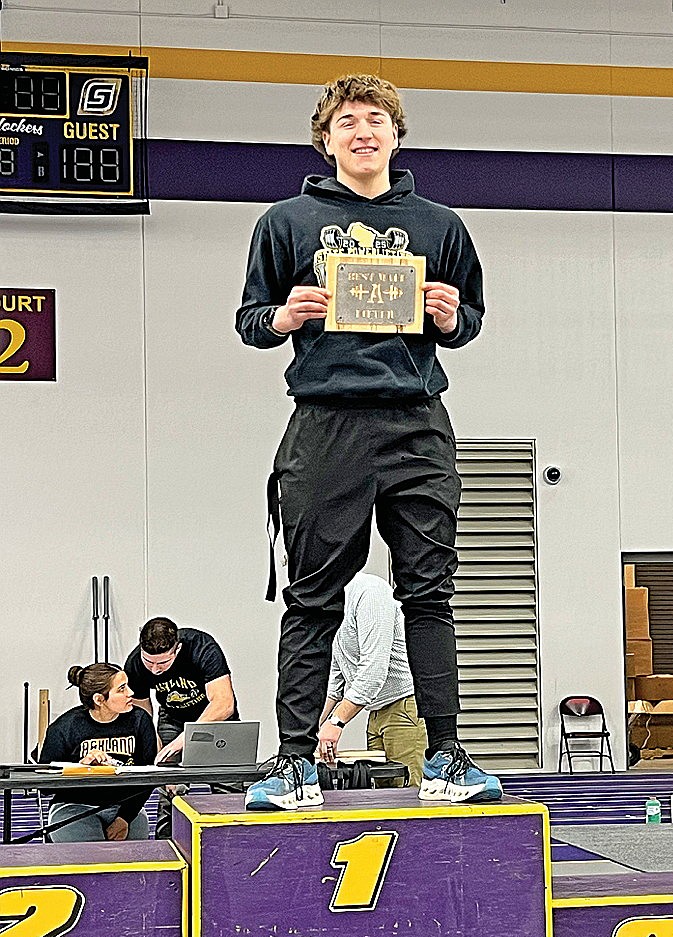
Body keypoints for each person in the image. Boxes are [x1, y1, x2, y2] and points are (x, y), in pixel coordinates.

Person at [236, 73, 502, 811]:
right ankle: (294, 763)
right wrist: (284, 316)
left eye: (376, 120)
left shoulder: (439, 224)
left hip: (416, 421)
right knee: (312, 598)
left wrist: (451, 317)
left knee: (430, 592)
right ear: (326, 139)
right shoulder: (284, 221)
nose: (362, 132)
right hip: (325, 424)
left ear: (394, 135)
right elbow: (250, 320)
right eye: (348, 121)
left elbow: (469, 320)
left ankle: (447, 755)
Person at [125, 618, 238, 838]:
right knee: (169, 786)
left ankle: (232, 841)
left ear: (177, 649)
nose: (155, 670)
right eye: (149, 662)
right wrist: (160, 756)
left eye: (163, 663)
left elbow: (224, 703)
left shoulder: (202, 647)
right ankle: (167, 843)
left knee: (228, 784)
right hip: (172, 718)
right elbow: (143, 719)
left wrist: (186, 738)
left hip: (215, 718)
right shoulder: (135, 664)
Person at [318, 572, 426, 786]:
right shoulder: (332, 603)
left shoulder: (369, 592)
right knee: (383, 798)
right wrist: (313, 729)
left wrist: (336, 722)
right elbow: (334, 682)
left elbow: (373, 673)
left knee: (409, 799)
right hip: (375, 713)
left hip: (404, 708)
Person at [39, 663, 156, 842]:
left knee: (133, 860)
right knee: (95, 859)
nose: (131, 693)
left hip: (126, 805)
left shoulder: (140, 720)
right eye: (122, 689)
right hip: (74, 805)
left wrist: (124, 817)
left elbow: (146, 778)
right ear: (99, 699)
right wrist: (80, 768)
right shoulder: (65, 727)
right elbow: (44, 786)